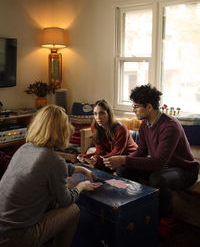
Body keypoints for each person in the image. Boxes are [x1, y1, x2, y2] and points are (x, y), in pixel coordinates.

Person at [102, 84, 200, 237]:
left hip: (185, 171)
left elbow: (158, 162)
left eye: (136, 106)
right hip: (164, 168)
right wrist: (119, 162)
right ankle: (135, 210)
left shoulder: (170, 126)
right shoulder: (145, 125)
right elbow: (141, 151)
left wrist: (123, 159)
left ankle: (165, 222)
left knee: (157, 178)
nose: (133, 110)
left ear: (149, 107)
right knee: (123, 170)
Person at [0, 105, 98, 247]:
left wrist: (80, 169)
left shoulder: (25, 148)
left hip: (3, 229)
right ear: (62, 130)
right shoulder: (53, 160)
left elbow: (50, 168)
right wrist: (81, 186)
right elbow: (66, 200)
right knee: (73, 211)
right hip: (16, 237)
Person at [77, 99, 137, 170]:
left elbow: (117, 153)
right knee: (99, 165)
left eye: (102, 113)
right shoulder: (95, 127)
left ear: (108, 114)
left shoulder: (121, 129)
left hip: (129, 157)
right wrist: (85, 156)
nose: (98, 117)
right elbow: (100, 151)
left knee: (120, 170)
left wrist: (97, 159)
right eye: (95, 114)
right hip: (113, 156)